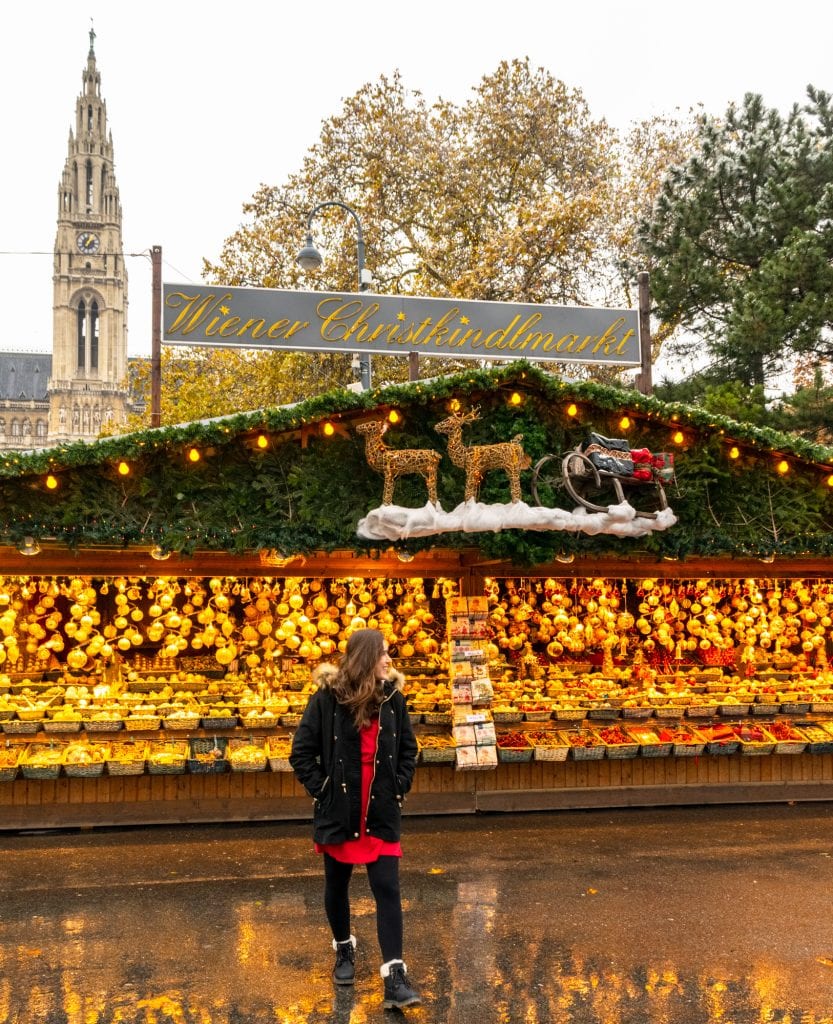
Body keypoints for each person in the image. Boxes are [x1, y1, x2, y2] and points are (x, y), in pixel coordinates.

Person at [290, 628, 421, 1009]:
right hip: (340, 809)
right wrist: (326, 791)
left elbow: (408, 749)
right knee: (337, 883)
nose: (388, 660)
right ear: (365, 657)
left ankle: (394, 976)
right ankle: (344, 949)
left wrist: (398, 785)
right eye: (382, 654)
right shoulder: (327, 700)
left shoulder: (394, 699)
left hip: (379, 808)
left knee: (388, 888)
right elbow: (301, 752)